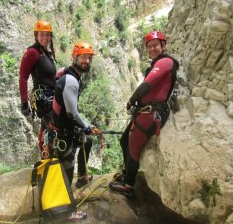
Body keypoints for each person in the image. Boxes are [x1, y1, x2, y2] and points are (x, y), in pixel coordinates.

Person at [109, 31, 179, 197]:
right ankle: (127, 173)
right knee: (124, 140)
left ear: (163, 45)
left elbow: (147, 85)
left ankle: (128, 185)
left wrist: (131, 100)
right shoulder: (157, 64)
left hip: (152, 113)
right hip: (146, 111)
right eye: (149, 46)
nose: (152, 48)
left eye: (155, 45)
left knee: (133, 147)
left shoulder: (166, 62)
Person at [49, 42, 97, 188]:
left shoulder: (65, 72)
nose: (86, 61)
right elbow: (72, 113)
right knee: (67, 172)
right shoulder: (71, 81)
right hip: (63, 133)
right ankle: (69, 211)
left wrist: (86, 127)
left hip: (61, 126)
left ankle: (82, 177)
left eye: (89, 58)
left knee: (86, 142)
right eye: (83, 57)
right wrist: (87, 127)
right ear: (75, 57)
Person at [19, 20, 56, 155]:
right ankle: (50, 157)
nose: (45, 38)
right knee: (53, 128)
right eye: (42, 35)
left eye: (47, 35)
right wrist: (24, 102)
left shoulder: (46, 53)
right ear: (36, 35)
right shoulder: (33, 52)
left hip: (50, 96)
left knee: (46, 128)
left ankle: (45, 155)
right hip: (43, 98)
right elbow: (23, 77)